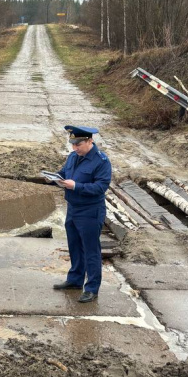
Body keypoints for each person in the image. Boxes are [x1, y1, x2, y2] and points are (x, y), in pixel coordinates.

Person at [48, 126, 112, 303]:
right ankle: (75, 280)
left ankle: (92, 288)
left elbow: (100, 187)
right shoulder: (73, 157)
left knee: (91, 250)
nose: (75, 148)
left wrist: (76, 186)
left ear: (90, 141)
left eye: (79, 144)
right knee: (75, 246)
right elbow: (63, 174)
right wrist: (53, 178)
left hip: (90, 210)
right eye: (73, 144)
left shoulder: (101, 161)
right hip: (73, 208)